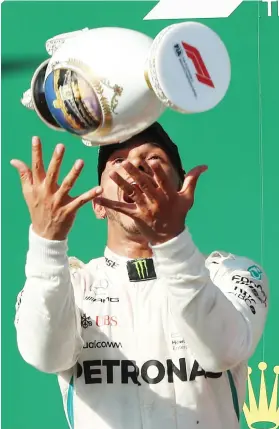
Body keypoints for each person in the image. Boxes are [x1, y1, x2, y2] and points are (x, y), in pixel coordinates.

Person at [13, 122, 268, 429]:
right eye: (118, 161)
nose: (135, 166)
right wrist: (47, 244)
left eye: (153, 159)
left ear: (182, 190)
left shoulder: (232, 274)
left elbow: (222, 351)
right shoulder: (71, 284)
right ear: (97, 204)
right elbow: (45, 354)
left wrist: (169, 239)